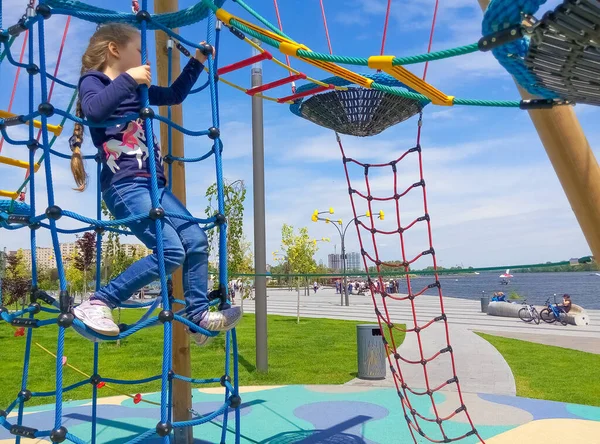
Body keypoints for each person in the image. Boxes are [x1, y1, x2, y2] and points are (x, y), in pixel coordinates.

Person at [70, 23, 241, 345]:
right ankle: (98, 302)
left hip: (154, 186)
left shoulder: (138, 90)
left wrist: (198, 60)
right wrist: (129, 79)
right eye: (138, 50)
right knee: (170, 250)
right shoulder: (95, 81)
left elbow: (175, 95)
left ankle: (197, 316)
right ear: (114, 50)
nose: (142, 58)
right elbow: (94, 110)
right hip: (125, 185)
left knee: (196, 240)